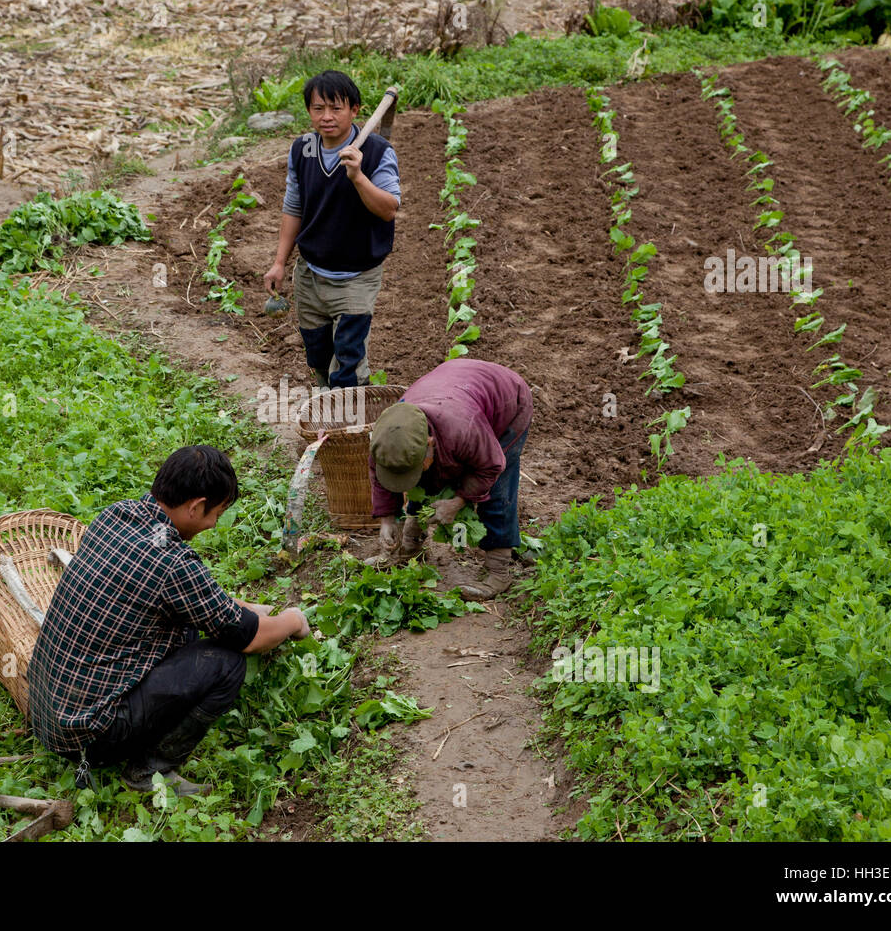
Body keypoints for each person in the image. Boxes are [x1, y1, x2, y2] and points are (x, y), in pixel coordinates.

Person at [27, 445, 310, 796]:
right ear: (195, 506)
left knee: (192, 626)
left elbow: (190, 602)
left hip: (44, 711)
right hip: (90, 734)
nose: (212, 524)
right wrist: (293, 621)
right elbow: (251, 638)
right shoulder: (172, 563)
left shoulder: (115, 516)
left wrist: (247, 607)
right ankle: (150, 770)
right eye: (216, 514)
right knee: (226, 662)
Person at [263, 70, 401, 389]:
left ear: (354, 110)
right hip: (310, 273)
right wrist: (280, 262)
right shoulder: (302, 150)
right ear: (309, 111)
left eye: (336, 108)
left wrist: (359, 178)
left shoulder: (377, 152)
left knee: (349, 361)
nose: (326, 117)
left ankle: (351, 424)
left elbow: (389, 208)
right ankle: (328, 401)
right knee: (318, 354)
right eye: (318, 108)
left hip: (356, 276)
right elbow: (293, 207)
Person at [367, 358, 533, 599]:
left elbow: (491, 467)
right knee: (427, 472)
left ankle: (499, 569)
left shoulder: (464, 430)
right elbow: (380, 475)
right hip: (453, 388)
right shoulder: (386, 437)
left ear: (430, 443)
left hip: (508, 401)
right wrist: (387, 520)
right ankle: (410, 544)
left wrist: (457, 502)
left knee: (497, 488)